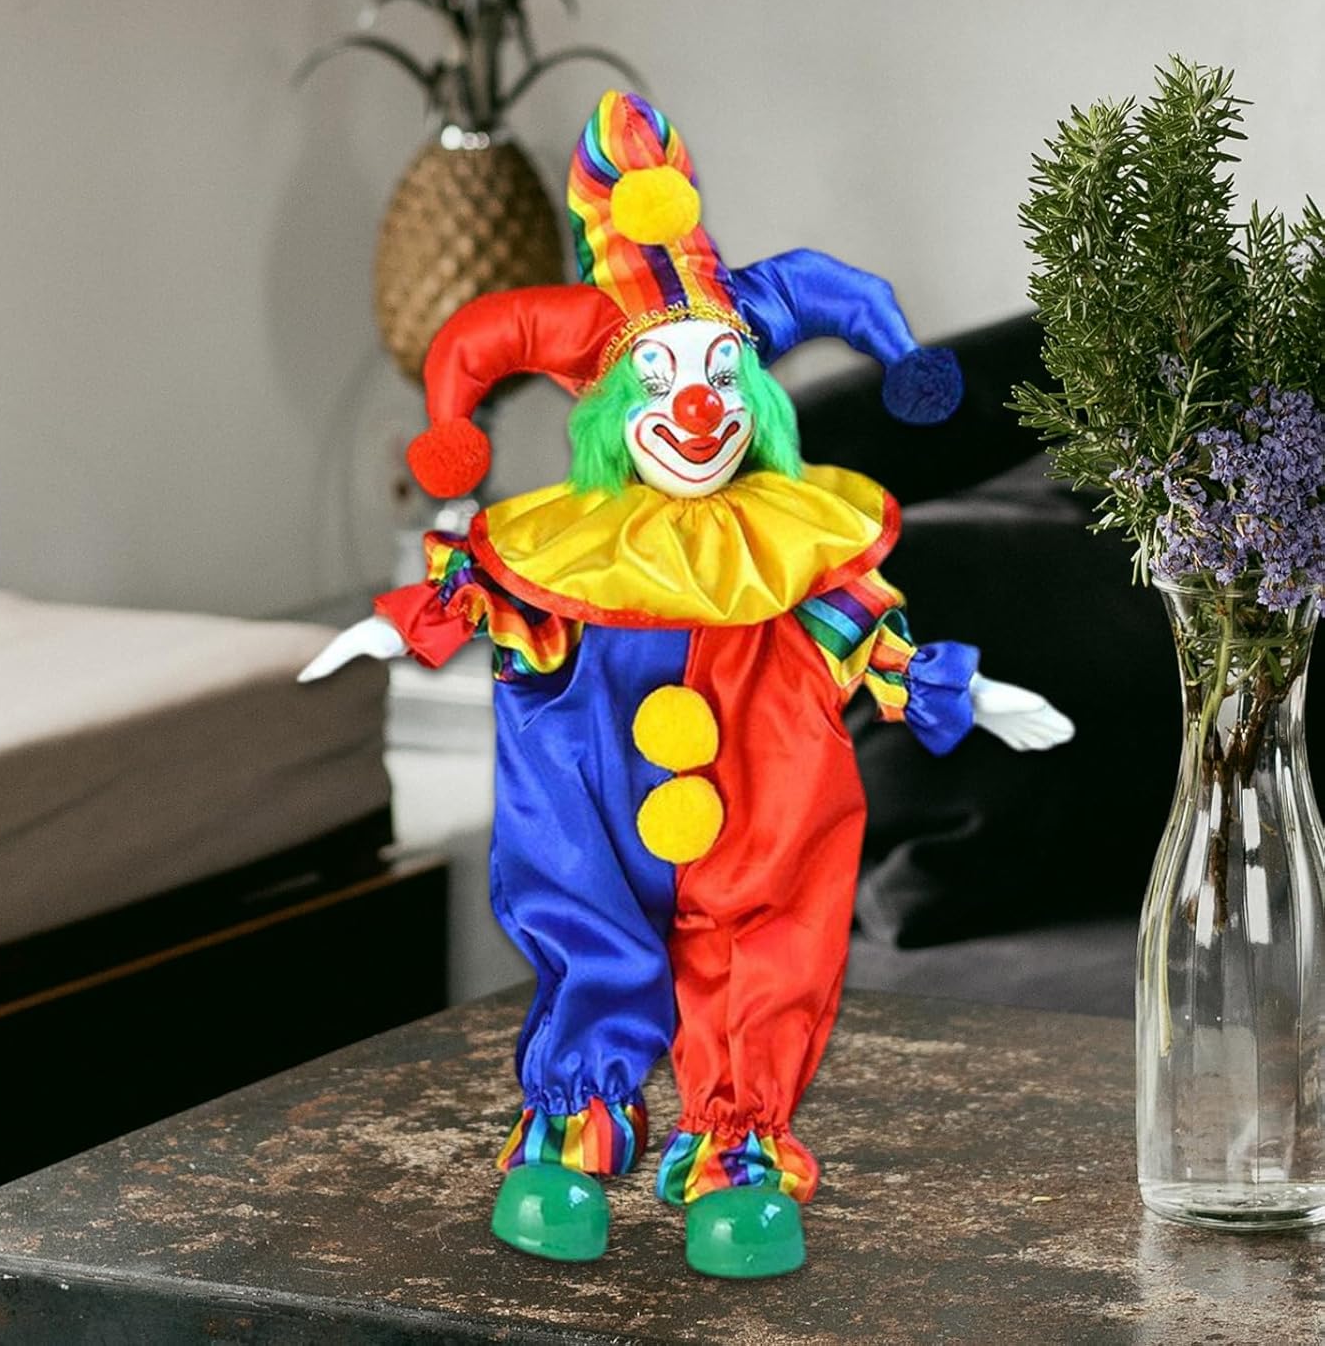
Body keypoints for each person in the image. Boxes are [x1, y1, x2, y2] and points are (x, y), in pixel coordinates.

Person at [301, 91, 1073, 1277]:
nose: (697, 406)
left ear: (752, 394)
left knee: (766, 944)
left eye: (721, 371)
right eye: (662, 378)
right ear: (619, 405)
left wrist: (959, 690)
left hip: (760, 795)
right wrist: (397, 625)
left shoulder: (787, 544)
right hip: (601, 792)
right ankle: (571, 1136)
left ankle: (739, 1151)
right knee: (589, 920)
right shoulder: (568, 555)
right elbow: (496, 603)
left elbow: (863, 632)